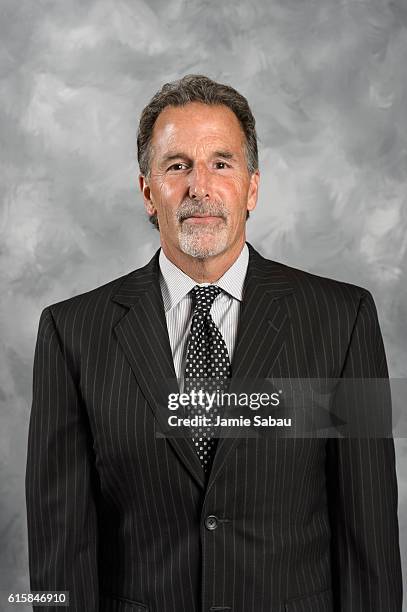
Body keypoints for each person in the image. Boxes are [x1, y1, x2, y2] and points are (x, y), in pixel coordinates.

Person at [25, 75, 402, 612]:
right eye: (177, 166)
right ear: (147, 191)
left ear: (251, 188)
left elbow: (370, 544)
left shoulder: (343, 321)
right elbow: (60, 557)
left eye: (221, 164)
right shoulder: (71, 333)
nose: (199, 186)